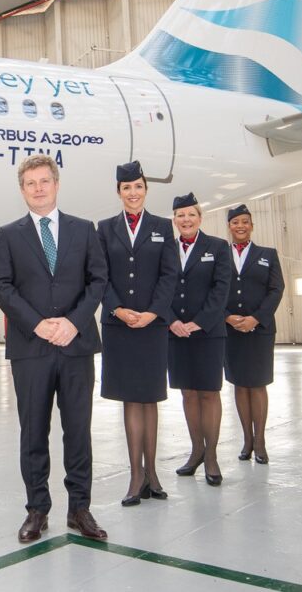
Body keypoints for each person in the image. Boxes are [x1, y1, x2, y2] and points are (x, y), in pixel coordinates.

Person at [0, 154, 108, 544]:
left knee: (78, 431)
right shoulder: (9, 234)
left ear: (56, 184)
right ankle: (37, 510)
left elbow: (97, 281)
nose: (38, 188)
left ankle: (80, 509)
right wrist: (37, 324)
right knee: (33, 433)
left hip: (75, 346)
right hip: (31, 348)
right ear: (22, 190)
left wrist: (73, 322)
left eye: (44, 181)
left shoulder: (83, 229)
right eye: (30, 183)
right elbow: (1, 286)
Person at [99, 161, 178, 506]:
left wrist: (152, 313)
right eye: (127, 188)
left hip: (151, 325)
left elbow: (169, 275)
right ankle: (135, 475)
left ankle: (153, 473)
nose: (133, 193)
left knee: (151, 397)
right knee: (132, 398)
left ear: (146, 190)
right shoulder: (104, 228)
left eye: (139, 187)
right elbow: (99, 275)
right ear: (119, 192)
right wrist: (117, 308)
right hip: (120, 325)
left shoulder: (162, 227)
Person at [168, 193, 232, 486]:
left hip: (207, 332)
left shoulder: (217, 247)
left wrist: (198, 322)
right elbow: (159, 288)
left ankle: (212, 456)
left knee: (208, 392)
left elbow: (221, 290)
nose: (186, 220)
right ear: (174, 219)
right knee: (188, 393)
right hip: (176, 332)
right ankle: (196, 451)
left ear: (200, 218)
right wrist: (172, 321)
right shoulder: (166, 248)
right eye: (180, 215)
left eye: (191, 215)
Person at [224, 204, 285, 464]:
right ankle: (246, 440)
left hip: (259, 330)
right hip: (231, 329)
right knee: (240, 384)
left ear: (252, 225)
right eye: (236, 222)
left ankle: (260, 441)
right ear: (229, 226)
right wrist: (226, 315)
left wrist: (256, 318)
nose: (240, 226)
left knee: (257, 384)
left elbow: (276, 289)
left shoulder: (267, 254)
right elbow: (213, 289)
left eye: (245, 222)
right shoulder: (221, 255)